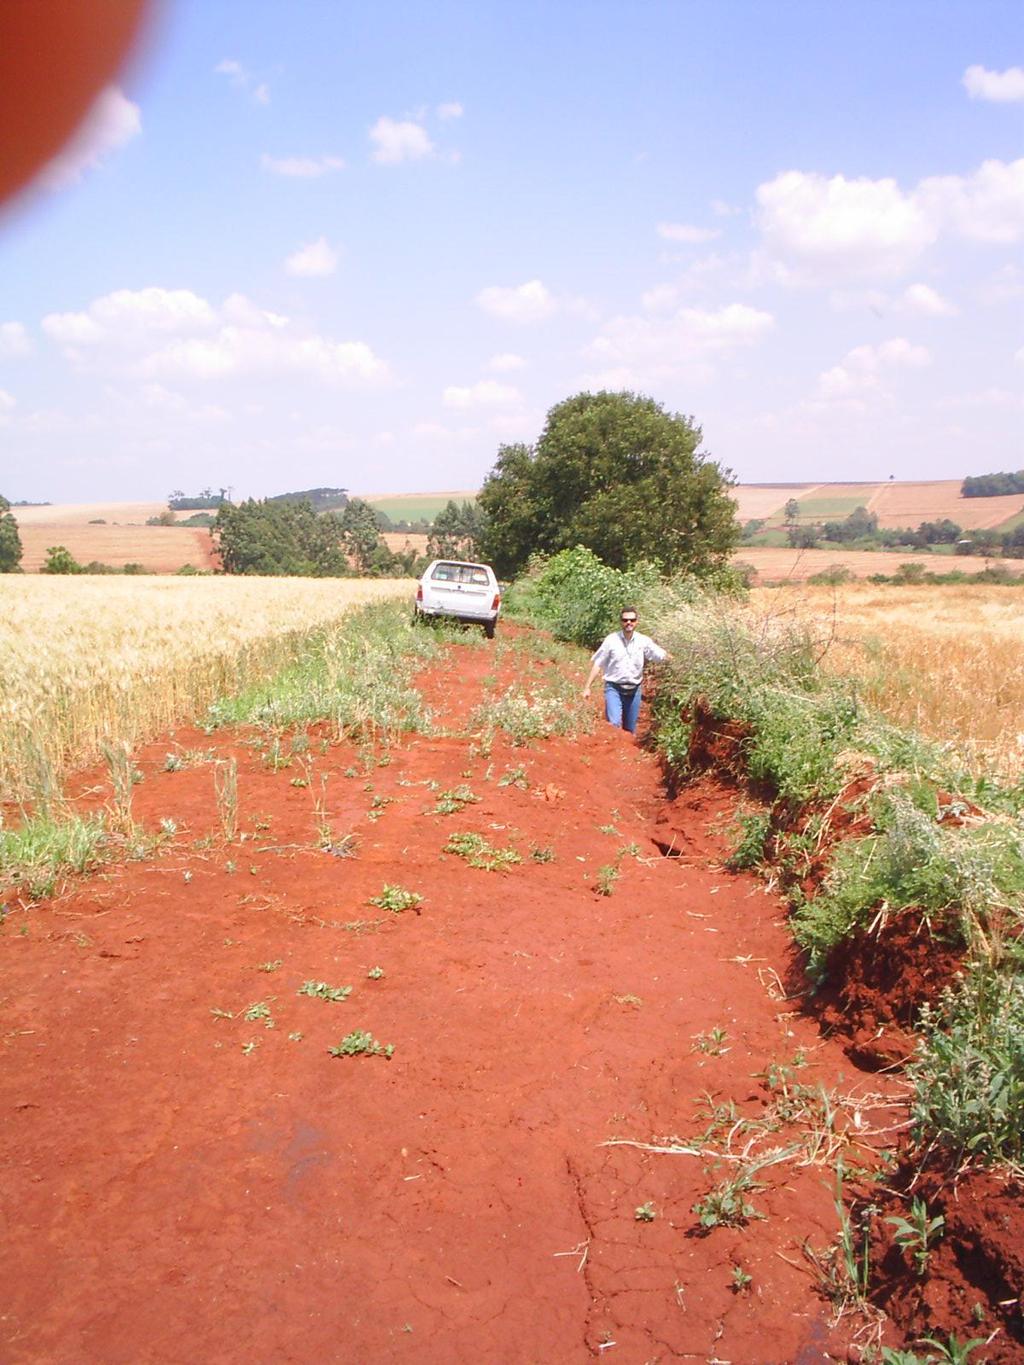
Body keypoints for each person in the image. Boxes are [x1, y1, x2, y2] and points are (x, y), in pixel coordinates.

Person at [583, 607, 669, 734]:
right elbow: (598, 663)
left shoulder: (643, 641)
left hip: (634, 690)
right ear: (621, 622)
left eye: (632, 620)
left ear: (636, 622)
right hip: (614, 689)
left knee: (629, 730)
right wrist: (587, 687)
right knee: (614, 724)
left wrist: (676, 660)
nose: (629, 623)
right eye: (625, 620)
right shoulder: (611, 640)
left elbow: (660, 655)